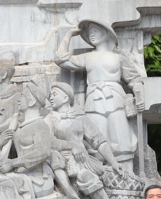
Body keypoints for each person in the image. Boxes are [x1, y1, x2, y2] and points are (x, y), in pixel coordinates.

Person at [55, 20, 145, 167]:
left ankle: (127, 176)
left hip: (116, 100)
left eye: (95, 31)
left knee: (122, 141)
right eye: (90, 32)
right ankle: (101, 177)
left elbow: (135, 79)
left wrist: (139, 97)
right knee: (95, 142)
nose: (92, 35)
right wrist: (69, 35)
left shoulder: (118, 57)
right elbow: (60, 58)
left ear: (106, 33)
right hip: (94, 102)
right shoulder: (87, 57)